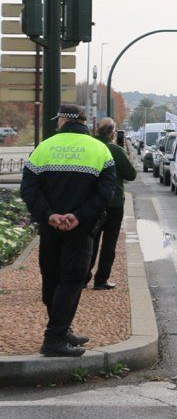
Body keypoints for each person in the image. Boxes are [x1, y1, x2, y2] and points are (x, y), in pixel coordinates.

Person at [20, 104, 115, 357]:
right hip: (81, 227)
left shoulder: (44, 147)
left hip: (50, 227)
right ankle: (54, 338)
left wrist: (49, 215)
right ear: (85, 123)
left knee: (51, 278)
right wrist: (77, 216)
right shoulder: (100, 149)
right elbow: (106, 193)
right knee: (72, 279)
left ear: (63, 120)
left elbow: (28, 189)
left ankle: (61, 331)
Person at [89, 118, 136, 290]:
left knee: (90, 240)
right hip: (114, 202)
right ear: (112, 132)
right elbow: (131, 174)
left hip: (91, 202)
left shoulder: (89, 147)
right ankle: (101, 279)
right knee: (109, 242)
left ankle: (84, 276)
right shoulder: (116, 150)